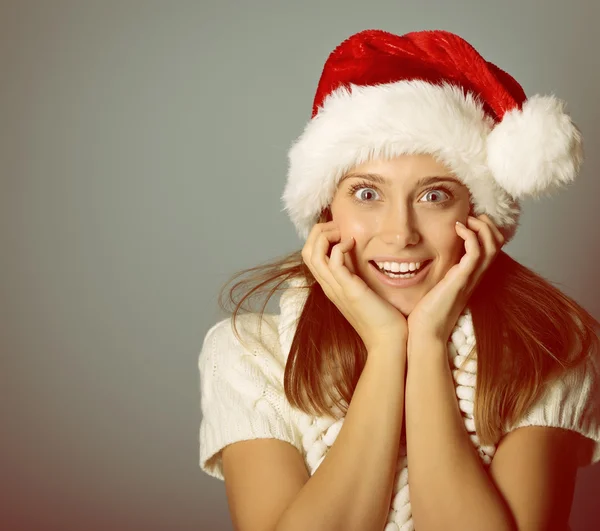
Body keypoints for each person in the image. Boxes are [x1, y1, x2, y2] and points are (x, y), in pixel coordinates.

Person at [198, 29, 600, 531]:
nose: (400, 233)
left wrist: (428, 345)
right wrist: (388, 347)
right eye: (367, 194)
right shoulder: (247, 352)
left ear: (478, 215)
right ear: (327, 210)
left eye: (434, 196)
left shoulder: (552, 348)